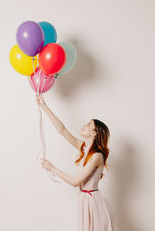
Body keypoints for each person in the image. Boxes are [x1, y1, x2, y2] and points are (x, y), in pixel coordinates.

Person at [35, 94, 117, 231]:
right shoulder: (84, 148)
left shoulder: (97, 156)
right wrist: (44, 107)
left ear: (95, 133)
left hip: (94, 203)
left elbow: (75, 182)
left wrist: (52, 168)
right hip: (85, 200)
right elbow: (62, 130)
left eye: (89, 124)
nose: (84, 125)